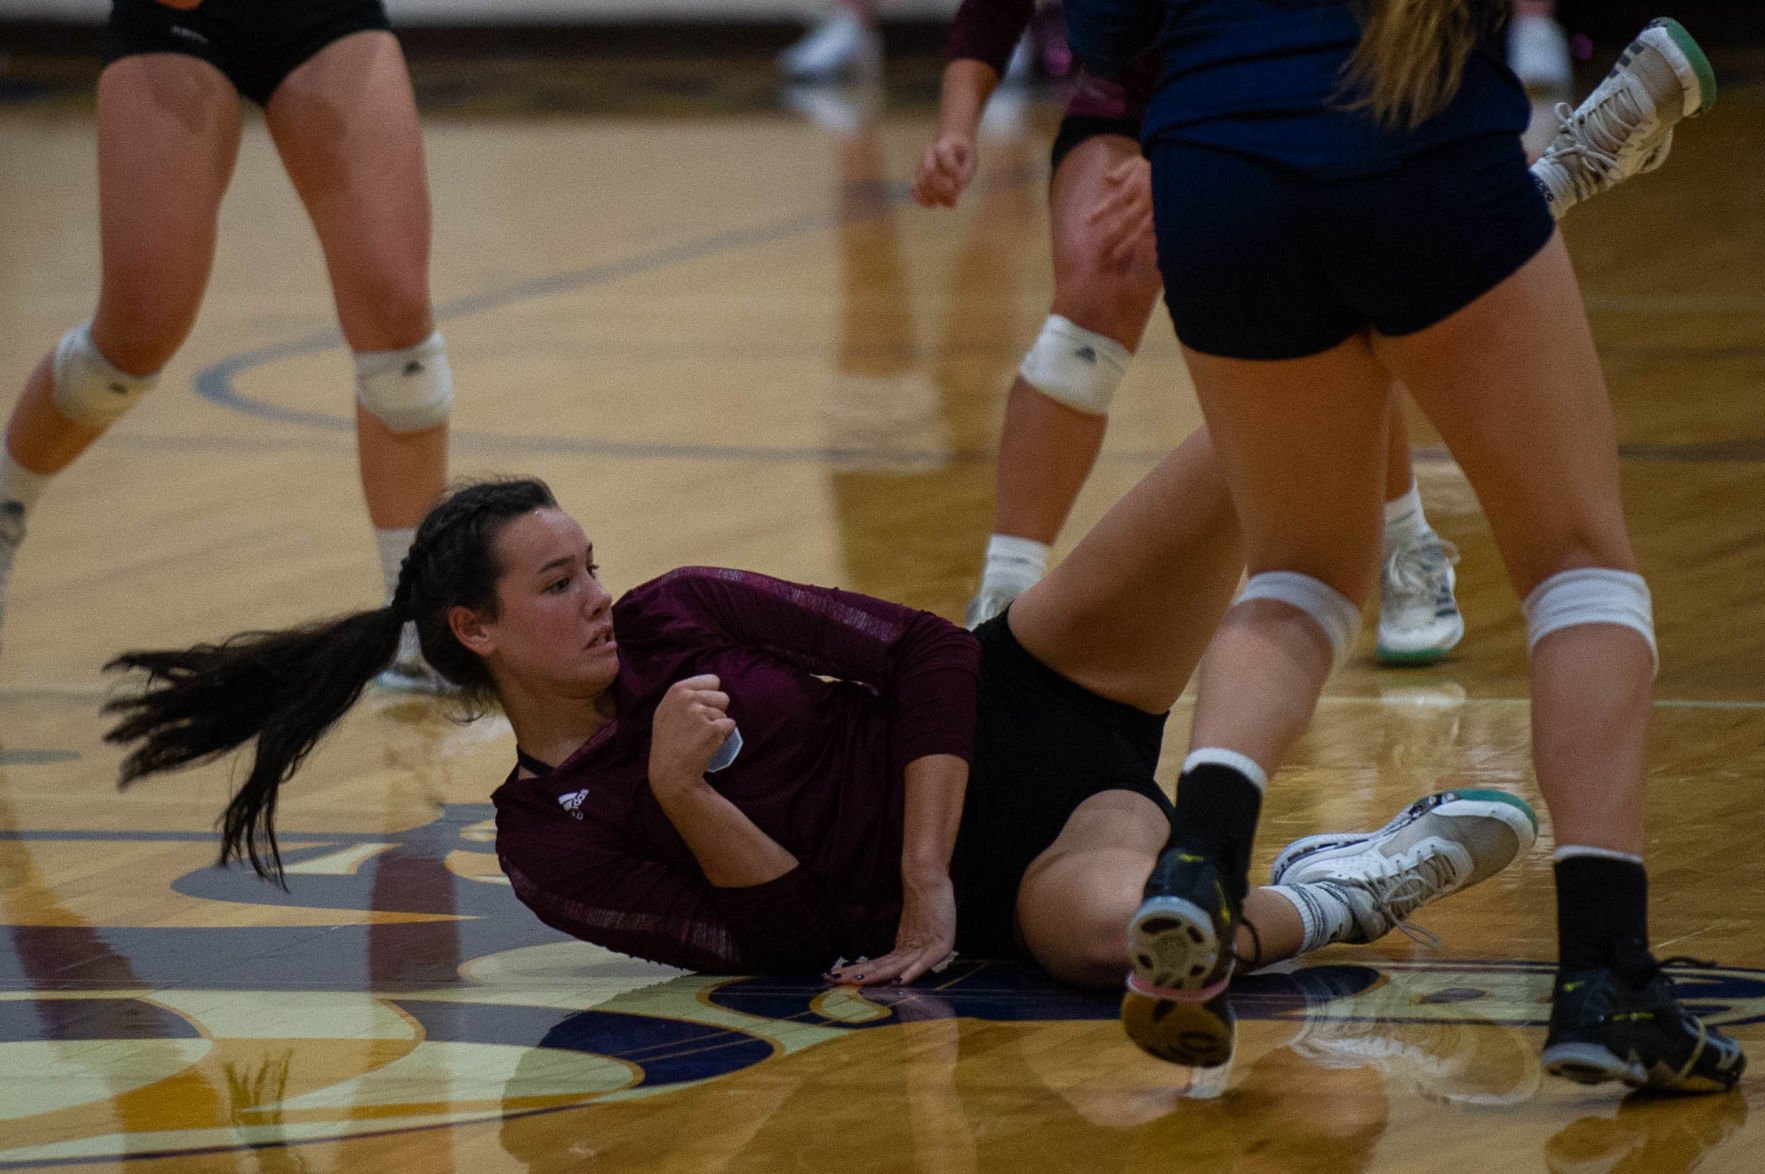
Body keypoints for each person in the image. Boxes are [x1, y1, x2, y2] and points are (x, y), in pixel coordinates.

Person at [102, 466, 1534, 1039]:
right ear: (475, 629)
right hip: (1034, 857)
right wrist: (675, 786)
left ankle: (1479, 224)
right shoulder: (548, 844)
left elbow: (932, 652)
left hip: (1035, 694)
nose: (599, 591)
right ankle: (1357, 876)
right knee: (1135, 945)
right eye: (556, 585)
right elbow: (782, 941)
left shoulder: (682, 610)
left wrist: (919, 876)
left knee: (1249, 443)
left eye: (586, 561)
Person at [1062, 0, 1741, 1092]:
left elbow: (1100, 29)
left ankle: (1198, 861)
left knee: (1293, 577)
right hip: (1416, 129)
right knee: (1578, 570)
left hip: (1210, 163)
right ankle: (1606, 974)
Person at [913, 0, 1681, 665]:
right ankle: (1003, 593)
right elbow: (1018, 17)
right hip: (1146, 106)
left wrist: (1190, 152)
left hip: (1303, 93)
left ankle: (1404, 550)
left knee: (1339, 299)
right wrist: (957, 131)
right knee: (1093, 292)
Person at [0, 0, 449, 688]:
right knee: (135, 335)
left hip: (325, 22)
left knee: (396, 314)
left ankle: (413, 628)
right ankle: (6, 502)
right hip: (179, 24)